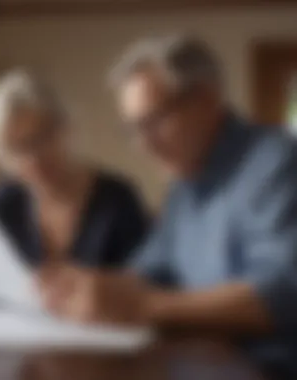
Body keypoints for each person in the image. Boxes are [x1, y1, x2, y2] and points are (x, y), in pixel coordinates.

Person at [39, 36, 297, 379]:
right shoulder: (183, 184)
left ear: (206, 98)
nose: (144, 145)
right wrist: (89, 286)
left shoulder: (274, 162)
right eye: (133, 129)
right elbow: (151, 270)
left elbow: (282, 294)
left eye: (154, 121)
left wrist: (142, 306)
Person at [0, 70, 148, 301]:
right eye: (16, 149)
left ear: (65, 128)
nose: (33, 158)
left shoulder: (117, 199)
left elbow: (151, 281)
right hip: (14, 334)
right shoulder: (2, 202)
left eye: (41, 139)